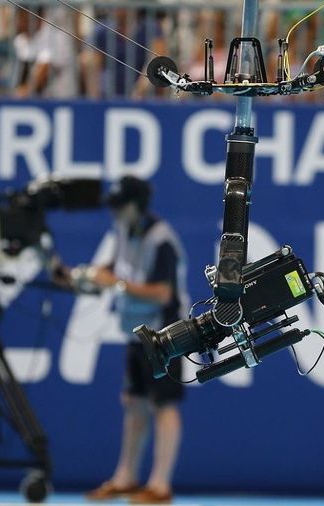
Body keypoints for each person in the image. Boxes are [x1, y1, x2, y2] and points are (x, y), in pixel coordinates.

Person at [82, 176, 189, 504]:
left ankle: (160, 485)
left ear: (135, 206)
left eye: (119, 205)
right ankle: (125, 477)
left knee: (164, 404)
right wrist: (88, 276)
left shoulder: (162, 240)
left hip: (166, 333)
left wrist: (114, 283)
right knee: (134, 401)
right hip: (138, 329)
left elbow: (162, 293)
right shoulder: (125, 229)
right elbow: (118, 266)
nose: (113, 211)